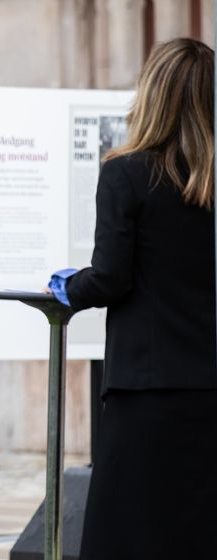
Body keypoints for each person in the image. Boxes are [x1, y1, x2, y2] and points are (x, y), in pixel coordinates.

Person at [47, 38, 217, 560]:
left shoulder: (127, 171)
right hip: (209, 383)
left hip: (146, 384)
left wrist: (67, 287)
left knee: (131, 531)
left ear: (151, 94)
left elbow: (112, 278)